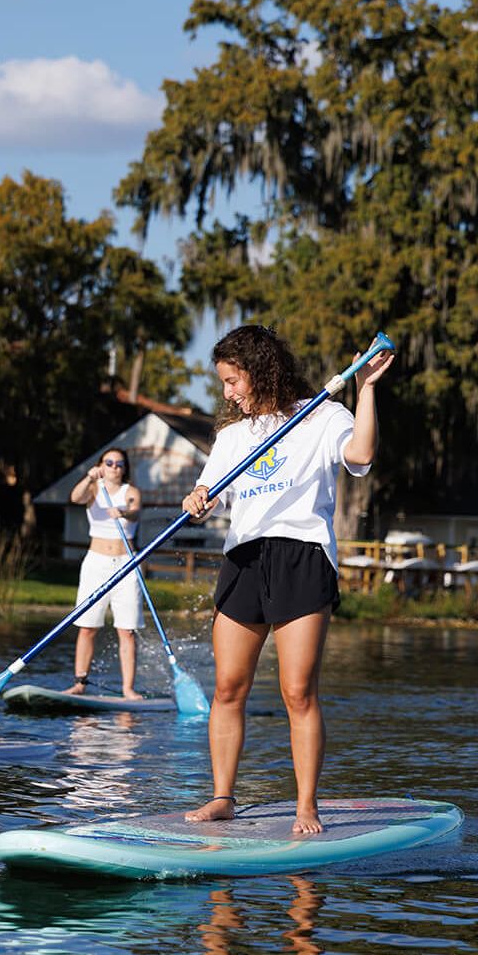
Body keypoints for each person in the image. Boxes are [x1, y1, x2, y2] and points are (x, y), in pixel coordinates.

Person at [181, 326, 392, 834]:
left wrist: (365, 389)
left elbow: (361, 455)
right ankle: (222, 797)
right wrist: (196, 499)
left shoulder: (322, 414)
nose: (228, 393)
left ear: (260, 369)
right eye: (224, 383)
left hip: (301, 557)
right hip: (244, 560)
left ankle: (305, 806)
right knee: (229, 688)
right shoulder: (232, 436)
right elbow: (207, 488)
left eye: (234, 381)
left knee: (298, 692)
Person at [65, 447, 144, 699]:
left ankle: (128, 689)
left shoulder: (130, 492)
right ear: (101, 465)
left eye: (119, 464)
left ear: (125, 468)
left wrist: (122, 511)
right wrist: (89, 477)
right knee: (87, 627)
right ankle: (80, 683)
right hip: (96, 563)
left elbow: (136, 512)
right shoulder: (93, 489)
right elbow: (75, 498)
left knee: (126, 630)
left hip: (126, 564)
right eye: (109, 463)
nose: (114, 467)